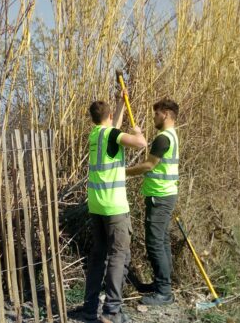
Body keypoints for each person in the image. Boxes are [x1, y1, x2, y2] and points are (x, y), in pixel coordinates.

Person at [80, 97, 146, 323]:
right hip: (115, 206)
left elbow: (113, 129)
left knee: (98, 255)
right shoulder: (112, 135)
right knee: (118, 256)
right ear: (107, 117)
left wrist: (119, 106)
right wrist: (137, 132)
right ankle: (112, 312)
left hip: (96, 205)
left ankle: (89, 308)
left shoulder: (96, 134)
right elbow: (141, 144)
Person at [126, 99, 180, 306]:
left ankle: (164, 292)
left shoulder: (163, 139)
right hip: (165, 194)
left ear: (165, 114)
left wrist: (122, 172)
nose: (154, 117)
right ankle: (161, 285)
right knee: (162, 241)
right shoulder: (171, 136)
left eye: (156, 113)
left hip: (160, 196)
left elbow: (148, 165)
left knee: (155, 242)